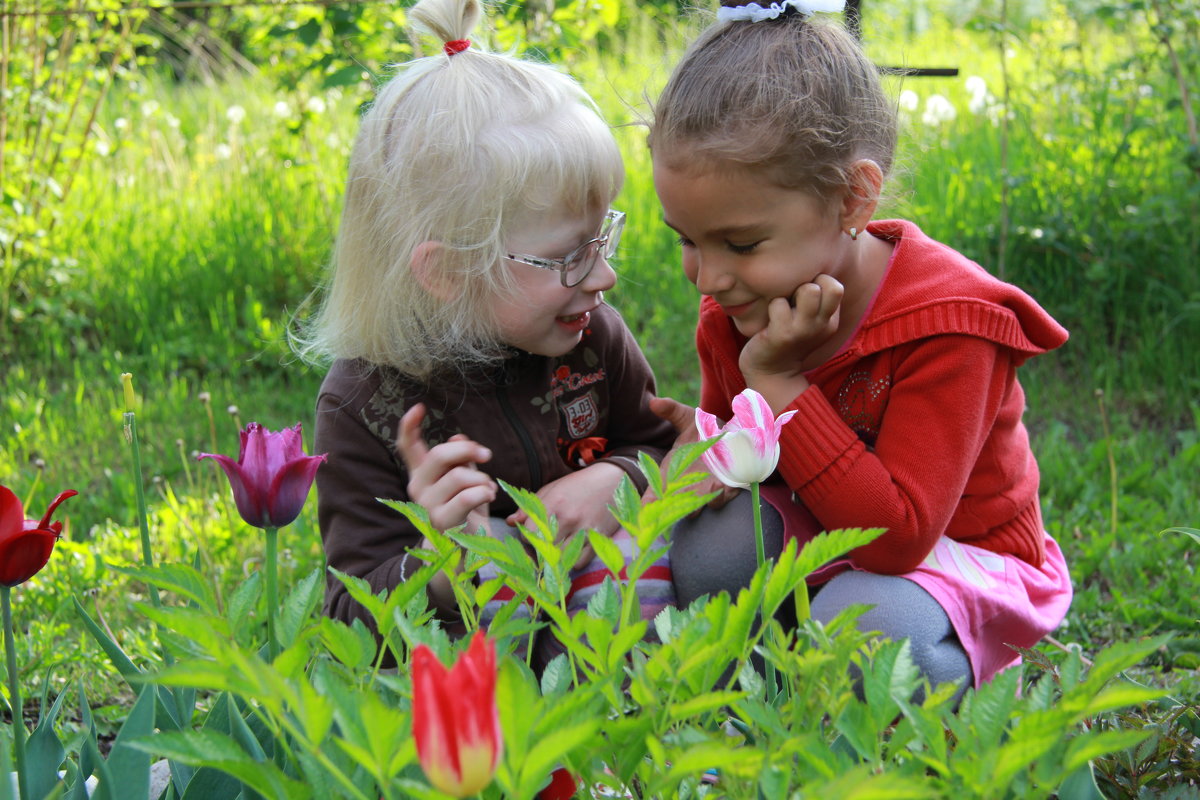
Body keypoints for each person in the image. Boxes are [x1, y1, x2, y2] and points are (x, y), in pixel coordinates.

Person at [647, 0, 1073, 701]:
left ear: (853, 200)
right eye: (687, 240)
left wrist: (781, 382)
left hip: (959, 554)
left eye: (741, 243)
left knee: (864, 630)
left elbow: (897, 539)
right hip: (827, 531)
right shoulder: (736, 307)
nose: (709, 276)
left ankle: (972, 667)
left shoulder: (949, 325)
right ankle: (754, 696)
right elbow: (746, 467)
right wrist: (702, 459)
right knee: (710, 551)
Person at [294, 0, 675, 668]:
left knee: (694, 543)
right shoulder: (364, 405)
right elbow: (351, 617)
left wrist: (612, 480)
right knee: (502, 589)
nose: (605, 276)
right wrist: (442, 561)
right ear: (447, 271)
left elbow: (658, 442)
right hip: (490, 687)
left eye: (602, 238)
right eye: (568, 255)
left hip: (619, 627)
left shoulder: (589, 336)